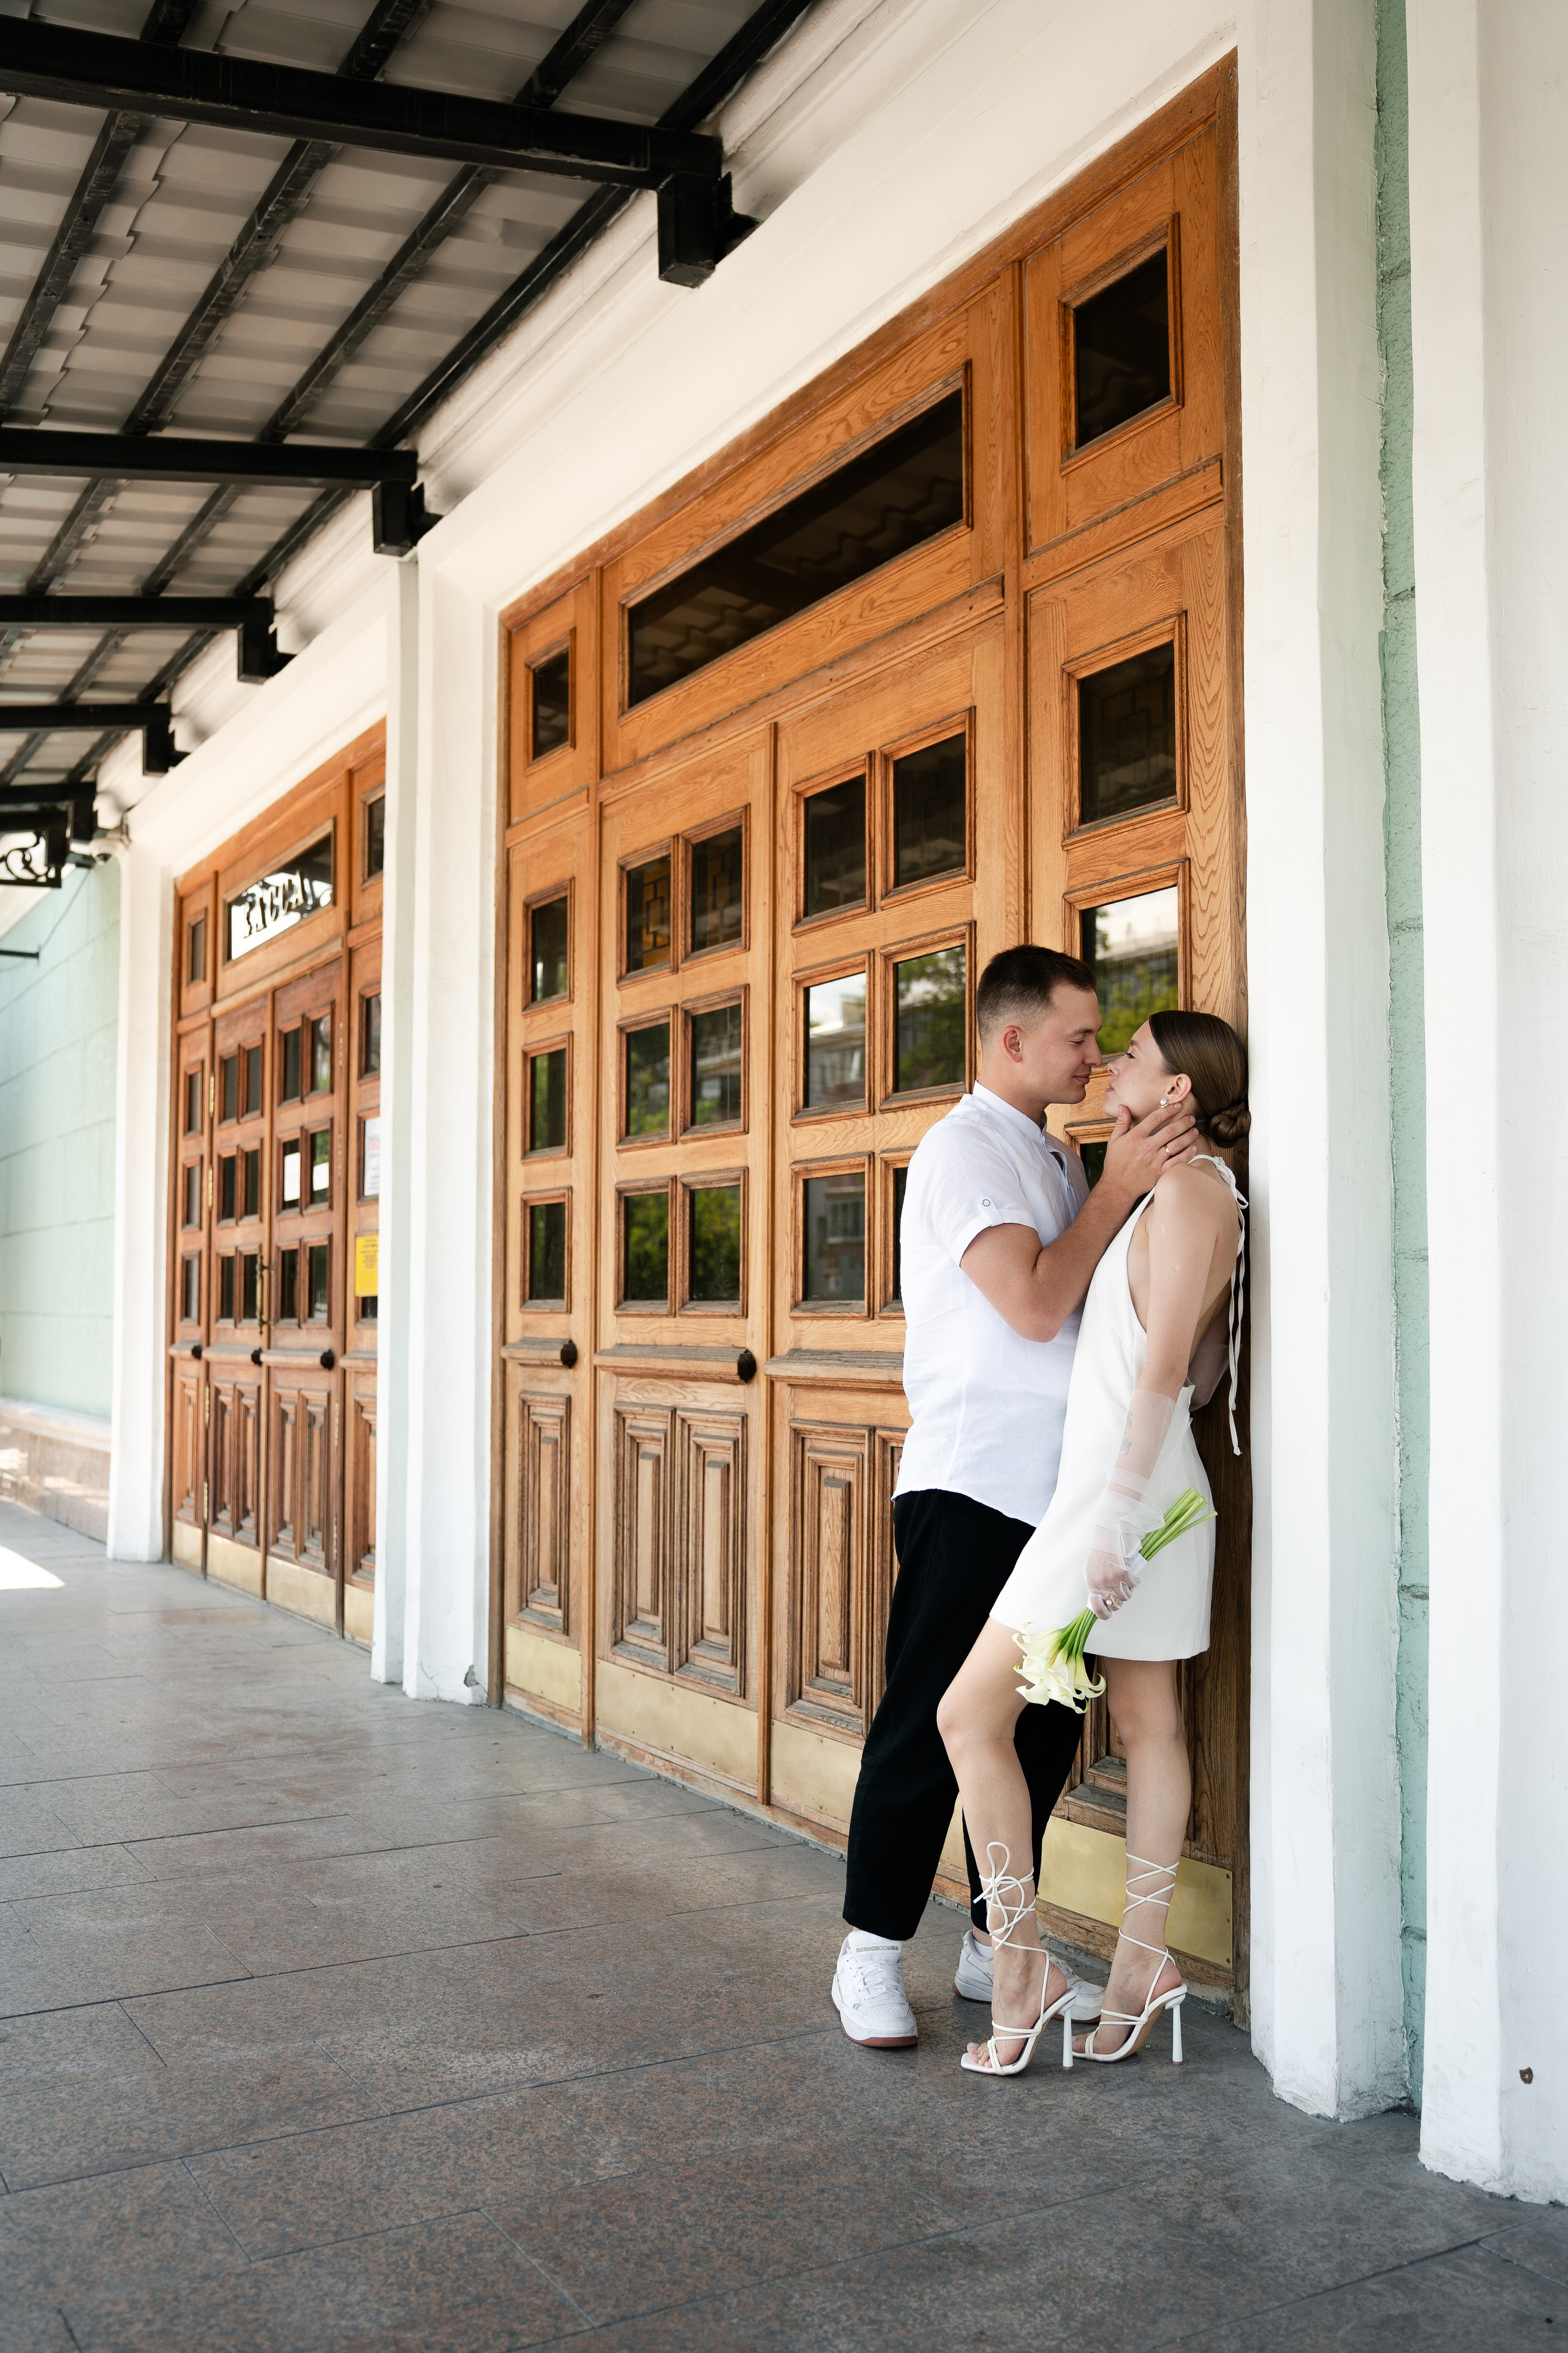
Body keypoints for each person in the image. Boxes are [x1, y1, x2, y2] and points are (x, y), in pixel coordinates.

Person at [829, 947, 1210, 2049]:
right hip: (975, 1481)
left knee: (1040, 1731)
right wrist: (1118, 1190)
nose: (1094, 1056)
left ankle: (999, 1945)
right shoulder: (964, 1151)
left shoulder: (1058, 1152)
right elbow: (1037, 1306)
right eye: (1079, 1037)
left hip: (1067, 1494)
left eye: (1101, 1042)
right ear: (1012, 1040)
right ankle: (869, 1951)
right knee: (928, 1722)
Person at [936, 1009, 1248, 2077]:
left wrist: (1117, 1514)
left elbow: (1168, 1373)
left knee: (968, 1713)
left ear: (1178, 1092)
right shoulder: (1186, 1192)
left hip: (1122, 1502)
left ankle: (1024, 1968)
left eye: (1135, 1056)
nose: (1113, 1063)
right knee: (1147, 1723)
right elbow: (1199, 1371)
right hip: (1124, 1491)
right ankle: (1134, 1967)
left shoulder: (1196, 1193)